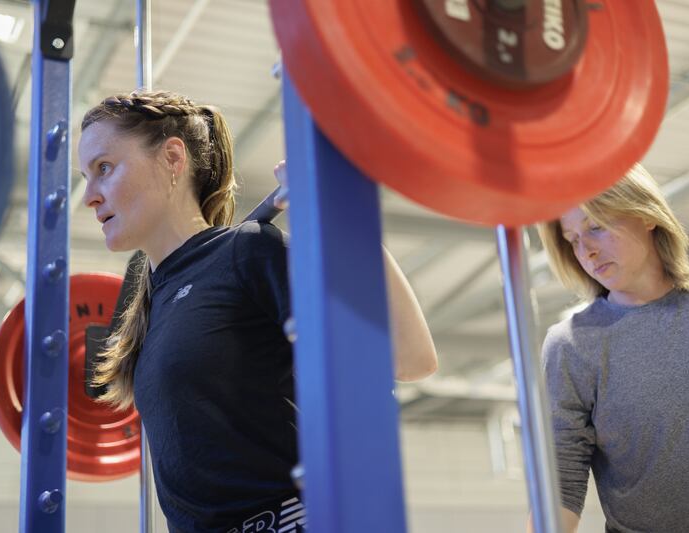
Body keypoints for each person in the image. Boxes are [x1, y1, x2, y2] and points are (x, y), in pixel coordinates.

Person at [77, 90, 437, 533]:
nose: (89, 196)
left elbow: (410, 357)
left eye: (104, 169)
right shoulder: (148, 303)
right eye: (86, 176)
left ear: (173, 159)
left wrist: (338, 210)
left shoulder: (246, 252)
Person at [531, 163, 689, 532]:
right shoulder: (572, 344)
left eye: (596, 227)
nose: (585, 251)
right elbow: (561, 481)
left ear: (645, 214)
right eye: (572, 239)